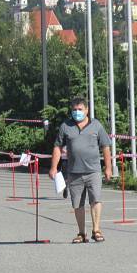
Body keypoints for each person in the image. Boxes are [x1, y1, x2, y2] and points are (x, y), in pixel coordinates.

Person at [49, 98, 112, 243]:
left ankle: (96, 230)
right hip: (74, 172)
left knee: (96, 200)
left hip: (93, 171)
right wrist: (53, 167)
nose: (77, 112)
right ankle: (81, 233)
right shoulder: (66, 126)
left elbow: (105, 147)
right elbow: (57, 147)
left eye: (80, 109)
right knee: (77, 204)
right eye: (74, 110)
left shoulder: (96, 125)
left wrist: (108, 168)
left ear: (87, 110)